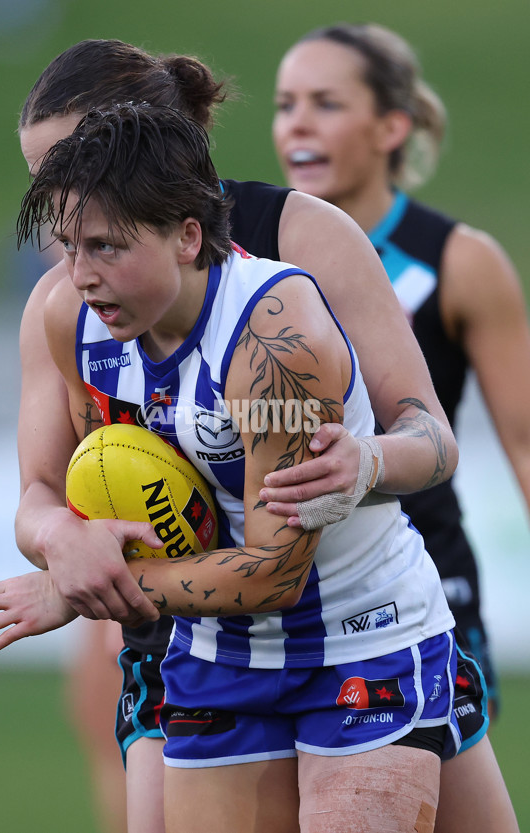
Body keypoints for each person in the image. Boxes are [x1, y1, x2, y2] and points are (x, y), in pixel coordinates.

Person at [0, 38, 517, 833]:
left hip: (353, 615)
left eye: (75, 178)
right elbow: (46, 490)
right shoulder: (70, 306)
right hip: (196, 634)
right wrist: (62, 543)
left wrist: (371, 459)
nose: (61, 225)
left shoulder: (290, 280)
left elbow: (421, 445)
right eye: (48, 191)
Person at [269, 21, 529, 830]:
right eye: (284, 105)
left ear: (392, 127)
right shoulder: (248, 257)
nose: (296, 124)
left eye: (325, 103)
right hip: (280, 600)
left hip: (425, 594)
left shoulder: (457, 259)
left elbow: (523, 440)